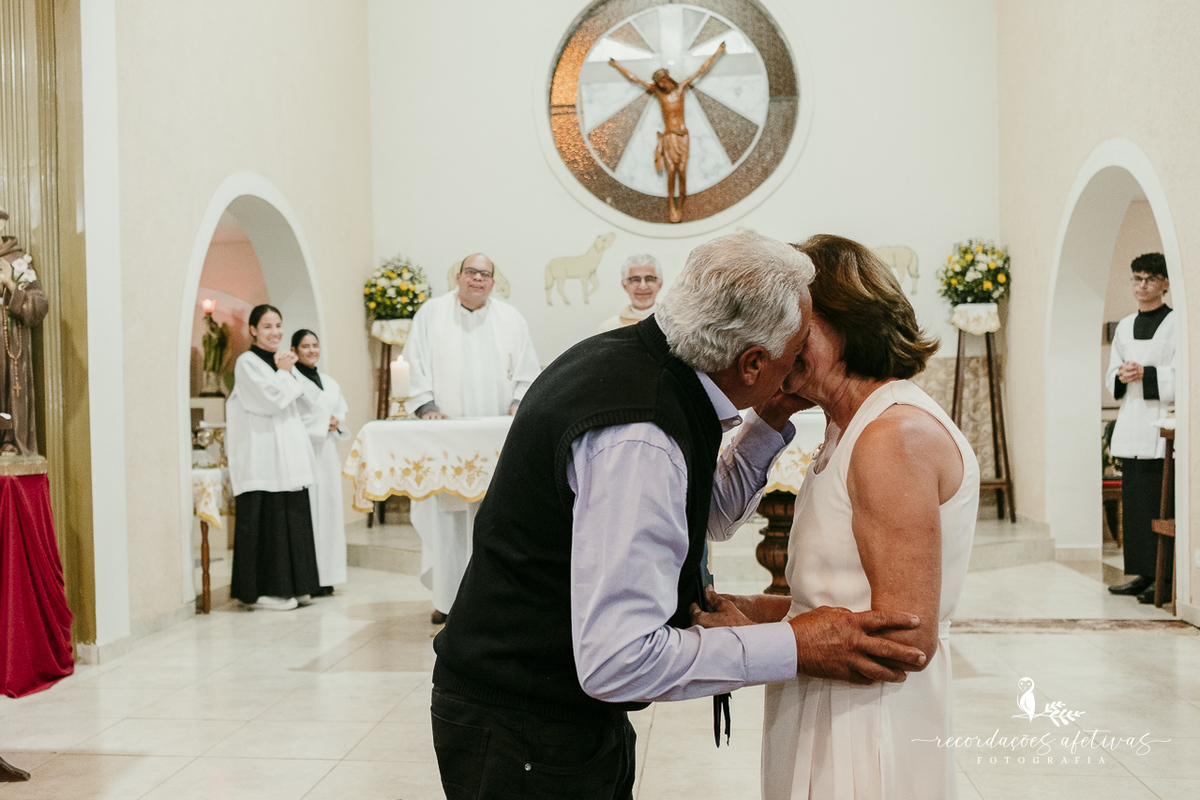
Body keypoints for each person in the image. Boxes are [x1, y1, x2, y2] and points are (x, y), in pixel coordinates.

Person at [430, 231, 928, 800]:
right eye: (791, 359)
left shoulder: (653, 363)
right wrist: (794, 646)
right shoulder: (639, 432)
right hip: (522, 722)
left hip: (558, 707)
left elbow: (699, 515)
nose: (795, 377)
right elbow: (618, 661)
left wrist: (765, 425)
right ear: (751, 361)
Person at [693, 234, 979, 800]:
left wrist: (753, 637)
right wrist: (751, 608)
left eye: (796, 325)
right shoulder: (846, 427)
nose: (778, 343)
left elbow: (903, 640)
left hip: (866, 722)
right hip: (824, 697)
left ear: (847, 320)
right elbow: (840, 601)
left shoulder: (892, 436)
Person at [403, 253, 540, 623]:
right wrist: (426, 405)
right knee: (448, 521)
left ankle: (493, 599)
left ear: (493, 282)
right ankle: (448, 601)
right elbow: (413, 363)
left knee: (495, 518)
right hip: (447, 434)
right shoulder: (430, 314)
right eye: (471, 272)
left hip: (496, 437)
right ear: (458, 276)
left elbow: (528, 369)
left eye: (485, 274)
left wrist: (517, 403)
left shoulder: (511, 318)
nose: (477, 279)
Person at [226, 305, 321, 611]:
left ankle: (297, 586)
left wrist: (289, 372)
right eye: (267, 326)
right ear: (253, 330)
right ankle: (264, 592)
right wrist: (283, 374)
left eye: (279, 325)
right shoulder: (247, 362)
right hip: (262, 458)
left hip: (289, 458)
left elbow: (308, 403)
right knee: (267, 524)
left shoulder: (282, 364)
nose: (276, 332)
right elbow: (269, 402)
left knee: (292, 520)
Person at [1106, 252, 1176, 604]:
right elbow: (1111, 374)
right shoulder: (1125, 325)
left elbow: (1184, 375)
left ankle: (1162, 576)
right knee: (1134, 507)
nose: (1142, 285)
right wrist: (1120, 375)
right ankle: (1140, 572)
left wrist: (1147, 374)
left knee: (1158, 507)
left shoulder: (1178, 324)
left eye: (1149, 278)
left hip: (1161, 428)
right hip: (1132, 423)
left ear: (1165, 282)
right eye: (1136, 278)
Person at [609, 42, 726, 222]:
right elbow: (635, 79)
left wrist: (717, 52)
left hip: (683, 137)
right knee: (671, 172)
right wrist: (617, 65)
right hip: (669, 137)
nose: (662, 84)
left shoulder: (681, 88)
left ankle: (682, 206)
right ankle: (672, 205)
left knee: (683, 173)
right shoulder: (658, 92)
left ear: (668, 78)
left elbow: (702, 69)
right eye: (659, 82)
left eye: (663, 80)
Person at [292, 329, 350, 595]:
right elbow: (291, 417)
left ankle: (328, 575)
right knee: (311, 514)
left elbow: (340, 411)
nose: (312, 350)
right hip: (305, 452)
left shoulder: (328, 381)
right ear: (294, 350)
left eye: (315, 345)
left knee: (329, 511)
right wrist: (320, 422)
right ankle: (310, 577)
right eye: (305, 346)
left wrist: (336, 423)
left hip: (327, 453)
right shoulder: (291, 379)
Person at [0, 208, 48, 456]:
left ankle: (9, 438)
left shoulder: (17, 262)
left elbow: (38, 307)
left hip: (9, 348)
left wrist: (10, 284)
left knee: (7, 390)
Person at [597, 254, 663, 333]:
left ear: (659, 284)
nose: (643, 286)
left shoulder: (672, 324)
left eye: (649, 279)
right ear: (624, 285)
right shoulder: (608, 328)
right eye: (635, 279)